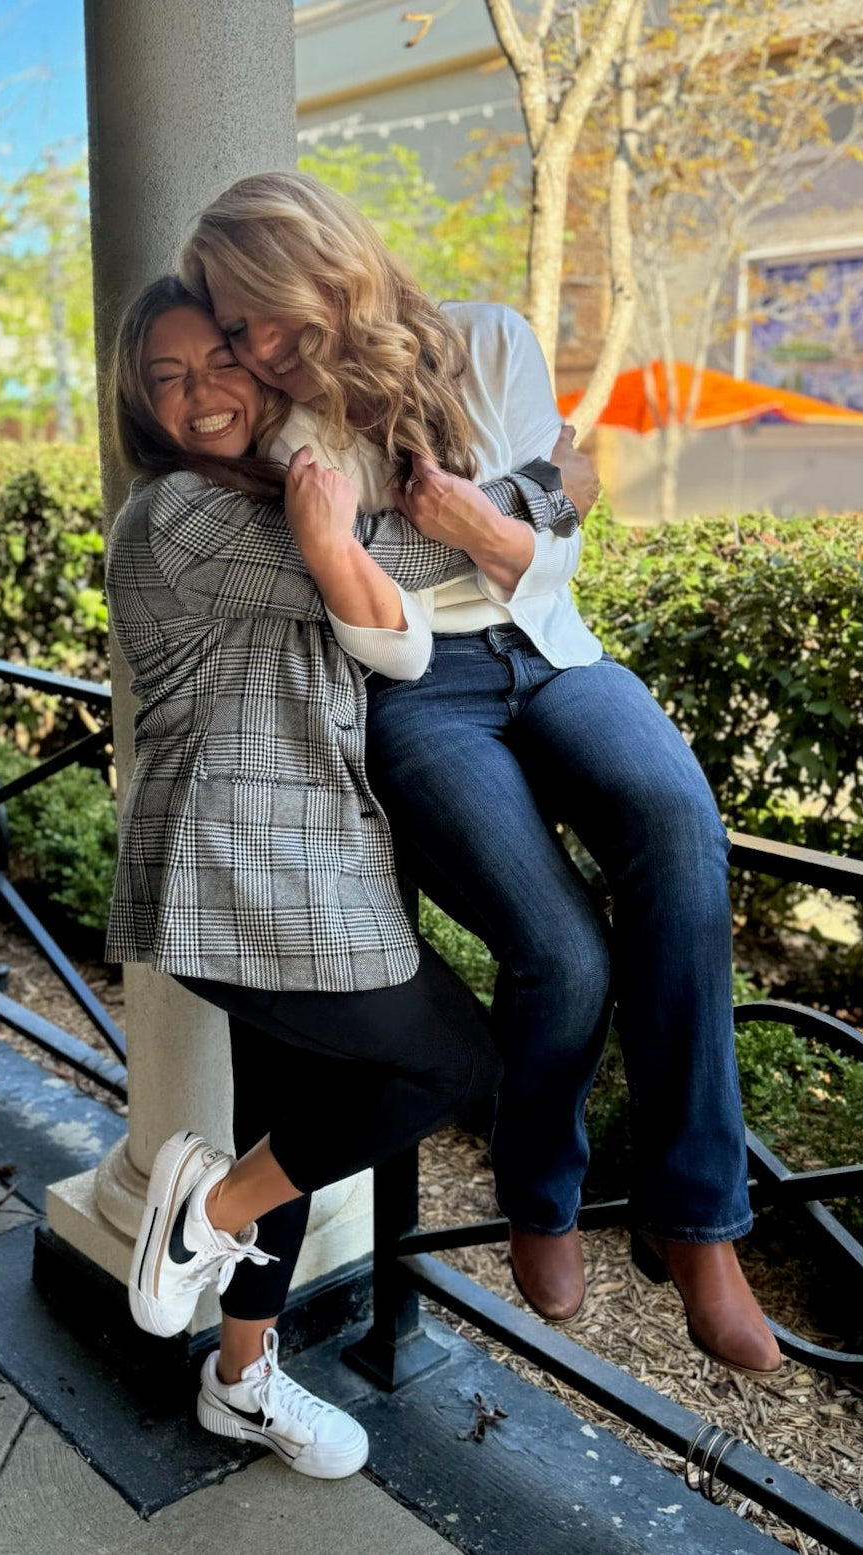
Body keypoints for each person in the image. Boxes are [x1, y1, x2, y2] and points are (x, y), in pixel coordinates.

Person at [180, 171, 781, 1374]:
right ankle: (540, 1192)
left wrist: (501, 527)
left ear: (326, 265)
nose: (260, 346)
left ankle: (699, 1220)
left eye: (265, 313)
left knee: (675, 820)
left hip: (552, 652)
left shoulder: (492, 340)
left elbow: (543, 551)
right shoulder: (291, 434)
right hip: (421, 688)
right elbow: (386, 581)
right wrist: (524, 506)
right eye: (240, 328)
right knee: (558, 953)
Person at [105, 276, 584, 1479]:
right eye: (165, 378)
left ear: (265, 370)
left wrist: (341, 541)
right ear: (140, 406)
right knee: (450, 1058)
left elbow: (396, 628)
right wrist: (555, 486)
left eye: (220, 360)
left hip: (316, 864)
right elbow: (410, 550)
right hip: (242, 872)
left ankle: (242, 1377)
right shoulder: (181, 514)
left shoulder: (285, 493)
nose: (199, 392)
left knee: (297, 1128)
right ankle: (205, 1213)